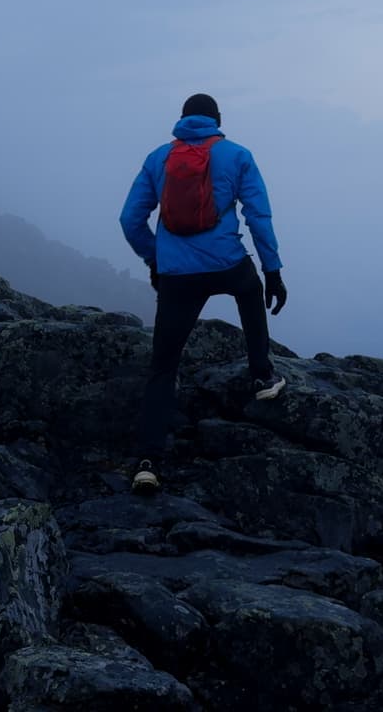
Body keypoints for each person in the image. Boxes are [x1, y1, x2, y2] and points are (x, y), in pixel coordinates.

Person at [119, 93, 287, 493]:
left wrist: (155, 259)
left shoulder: (158, 158)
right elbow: (258, 216)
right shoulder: (237, 155)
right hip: (227, 263)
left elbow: (130, 219)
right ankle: (262, 375)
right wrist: (273, 271)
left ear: (182, 120)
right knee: (251, 290)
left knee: (163, 367)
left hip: (177, 275)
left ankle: (147, 463)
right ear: (218, 120)